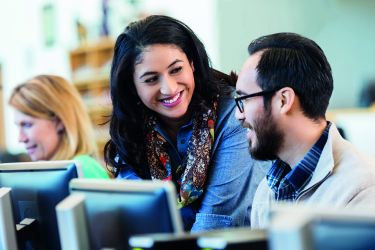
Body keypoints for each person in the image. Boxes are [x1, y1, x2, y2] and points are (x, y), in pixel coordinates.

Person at [104, 15, 269, 232]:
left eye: (176, 70)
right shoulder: (132, 128)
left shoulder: (234, 116)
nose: (169, 89)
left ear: (192, 63)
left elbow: (215, 223)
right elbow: (133, 219)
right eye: (151, 79)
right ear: (132, 86)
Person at [234, 32, 375, 229]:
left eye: (245, 99)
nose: (238, 115)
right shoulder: (267, 190)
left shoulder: (362, 189)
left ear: (283, 100)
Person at [9, 74, 109, 179]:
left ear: (59, 121)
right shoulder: (56, 172)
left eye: (27, 125)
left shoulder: (82, 170)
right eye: (18, 126)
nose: (20, 138)